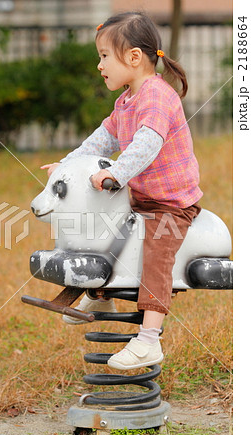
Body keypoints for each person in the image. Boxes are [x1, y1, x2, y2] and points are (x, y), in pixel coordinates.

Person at [41, 11, 203, 371]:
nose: (99, 65)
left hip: (172, 204)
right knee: (104, 230)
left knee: (157, 252)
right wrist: (67, 166)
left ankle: (148, 341)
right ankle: (101, 297)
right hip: (140, 199)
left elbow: (146, 144)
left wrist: (116, 173)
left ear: (133, 57)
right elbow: (100, 140)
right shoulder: (125, 101)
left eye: (103, 56)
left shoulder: (158, 97)